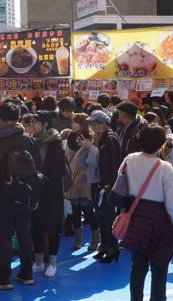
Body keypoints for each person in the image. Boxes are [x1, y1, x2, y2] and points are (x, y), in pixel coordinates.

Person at [118, 124, 173, 301]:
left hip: (136, 217)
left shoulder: (129, 159)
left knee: (137, 266)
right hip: (159, 220)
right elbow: (172, 201)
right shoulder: (164, 167)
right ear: (161, 144)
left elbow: (121, 184)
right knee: (159, 267)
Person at [0, 102, 39, 290]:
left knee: (4, 236)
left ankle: (4, 277)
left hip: (1, 195)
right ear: (19, 116)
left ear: (0, 119)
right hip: (25, 193)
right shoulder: (28, 139)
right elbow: (37, 168)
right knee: (25, 234)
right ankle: (27, 273)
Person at [77, 109, 122, 262]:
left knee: (109, 217)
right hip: (97, 184)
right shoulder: (99, 139)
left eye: (94, 123)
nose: (93, 127)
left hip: (105, 185)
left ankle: (112, 247)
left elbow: (113, 163)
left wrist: (109, 185)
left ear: (102, 124)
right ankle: (104, 245)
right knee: (101, 216)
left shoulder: (110, 139)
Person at [27, 111, 66, 278]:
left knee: (52, 227)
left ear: (44, 125)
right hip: (36, 190)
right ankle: (38, 261)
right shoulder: (31, 141)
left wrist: (43, 177)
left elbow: (59, 169)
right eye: (32, 122)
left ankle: (53, 263)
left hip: (52, 191)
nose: (32, 125)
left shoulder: (55, 142)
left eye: (36, 122)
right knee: (36, 225)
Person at [65, 113, 98, 251]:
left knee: (88, 210)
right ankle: (79, 239)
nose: (72, 125)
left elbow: (92, 160)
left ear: (82, 124)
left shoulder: (89, 139)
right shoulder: (71, 137)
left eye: (75, 122)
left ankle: (95, 239)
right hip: (72, 177)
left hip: (84, 180)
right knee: (76, 211)